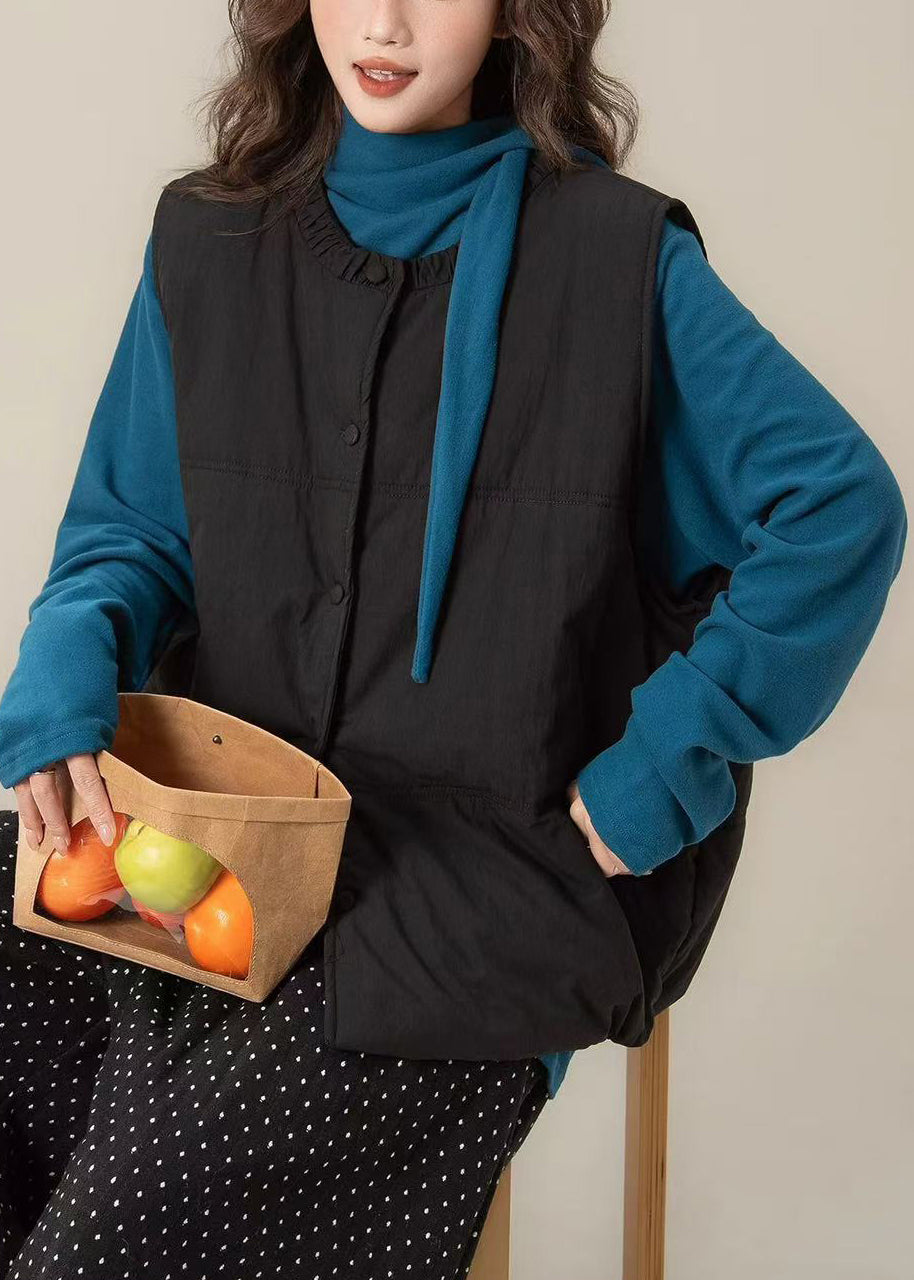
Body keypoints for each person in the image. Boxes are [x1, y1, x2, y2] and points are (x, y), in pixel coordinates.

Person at [0, 2, 906, 1276]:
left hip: (484, 880)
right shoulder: (208, 237)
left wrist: (668, 761)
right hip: (224, 829)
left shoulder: (613, 260)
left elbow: (836, 506)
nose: (383, 23)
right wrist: (60, 667)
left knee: (145, 1199)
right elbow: (133, 532)